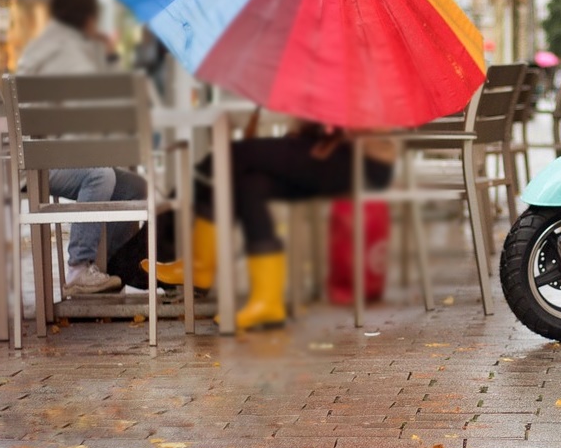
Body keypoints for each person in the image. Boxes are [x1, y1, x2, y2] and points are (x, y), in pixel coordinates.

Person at [160, 123, 397, 330]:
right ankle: (267, 302)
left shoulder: (367, 87)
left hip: (361, 159)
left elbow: (361, 123)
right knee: (249, 184)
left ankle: (191, 258)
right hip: (324, 148)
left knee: (227, 156)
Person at [15, 0, 147, 295]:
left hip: (43, 157)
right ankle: (79, 267)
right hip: (43, 162)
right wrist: (108, 56)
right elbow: (95, 109)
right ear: (88, 18)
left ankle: (114, 268)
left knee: (133, 187)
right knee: (100, 176)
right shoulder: (68, 51)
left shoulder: (50, 43)